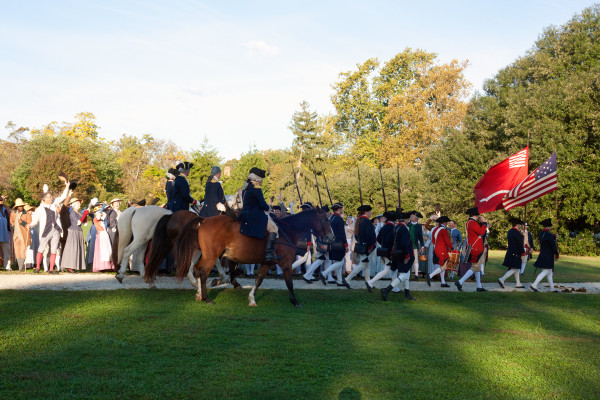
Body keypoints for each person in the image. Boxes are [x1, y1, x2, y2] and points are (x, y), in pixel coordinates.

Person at [239, 167, 279, 262]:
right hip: (255, 215)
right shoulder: (256, 188)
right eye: (261, 181)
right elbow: (262, 204)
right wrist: (268, 208)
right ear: (258, 179)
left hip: (245, 214)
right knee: (274, 228)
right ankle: (268, 252)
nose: (261, 183)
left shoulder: (246, 188)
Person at [30, 182, 70, 274]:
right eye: (50, 197)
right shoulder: (39, 209)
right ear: (44, 199)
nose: (52, 198)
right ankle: (37, 267)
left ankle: (51, 269)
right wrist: (30, 225)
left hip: (55, 230)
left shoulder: (53, 204)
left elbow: (63, 197)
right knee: (41, 249)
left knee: (54, 249)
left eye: (51, 197)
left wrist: (67, 187)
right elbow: (35, 220)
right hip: (45, 231)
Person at [380, 212, 416, 301]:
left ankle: (407, 294)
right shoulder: (403, 229)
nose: (408, 220)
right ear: (404, 220)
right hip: (403, 255)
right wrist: (407, 256)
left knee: (406, 274)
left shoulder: (396, 227)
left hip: (397, 253)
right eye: (407, 219)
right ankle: (386, 290)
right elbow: (404, 244)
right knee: (403, 275)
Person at [341, 204, 376, 288]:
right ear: (366, 212)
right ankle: (347, 279)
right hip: (366, 247)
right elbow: (370, 235)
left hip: (361, 246)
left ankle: (369, 283)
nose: (371, 213)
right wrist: (370, 246)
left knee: (366, 264)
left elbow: (356, 235)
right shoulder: (366, 221)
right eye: (370, 211)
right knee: (363, 264)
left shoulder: (360, 221)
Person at [455, 207, 488, 292]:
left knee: (477, 267)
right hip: (475, 248)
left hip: (474, 247)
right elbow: (481, 232)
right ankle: (460, 281)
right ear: (475, 215)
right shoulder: (472, 223)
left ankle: (479, 286)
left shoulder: (470, 222)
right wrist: (484, 223)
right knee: (475, 267)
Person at [318, 202, 349, 286]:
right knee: (340, 262)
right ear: (339, 209)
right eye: (342, 208)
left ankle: (339, 280)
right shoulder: (339, 219)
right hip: (339, 242)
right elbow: (342, 233)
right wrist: (346, 245)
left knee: (339, 261)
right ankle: (324, 273)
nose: (342, 209)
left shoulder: (332, 218)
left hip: (332, 242)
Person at [366, 211, 397, 291]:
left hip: (384, 250)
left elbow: (379, 239)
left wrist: (384, 246)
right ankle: (370, 282)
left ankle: (394, 286)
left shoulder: (384, 227)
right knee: (388, 270)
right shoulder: (392, 228)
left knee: (392, 269)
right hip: (390, 251)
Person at [530, 218, 559, 292]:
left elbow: (547, 240)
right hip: (548, 256)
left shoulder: (541, 233)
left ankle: (552, 288)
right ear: (548, 226)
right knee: (546, 271)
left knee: (549, 273)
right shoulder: (548, 234)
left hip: (543, 254)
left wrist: (553, 237)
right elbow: (553, 245)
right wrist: (556, 253)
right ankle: (534, 285)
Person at [498, 218, 526, 289]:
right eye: (519, 224)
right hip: (516, 252)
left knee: (516, 268)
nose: (520, 226)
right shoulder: (516, 232)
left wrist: (521, 235)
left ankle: (518, 283)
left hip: (511, 251)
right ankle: (502, 279)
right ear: (517, 225)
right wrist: (522, 251)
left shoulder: (510, 231)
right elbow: (519, 243)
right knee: (515, 268)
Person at [61, 197, 87, 272]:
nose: (79, 204)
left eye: (79, 203)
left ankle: (75, 266)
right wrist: (85, 214)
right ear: (74, 205)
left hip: (79, 231)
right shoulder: (72, 212)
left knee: (77, 249)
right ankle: (70, 267)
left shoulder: (78, 212)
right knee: (72, 249)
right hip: (73, 232)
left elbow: (84, 222)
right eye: (77, 203)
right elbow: (78, 222)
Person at [427, 216, 453, 288]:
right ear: (444, 223)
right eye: (446, 222)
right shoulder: (444, 230)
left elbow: (433, 240)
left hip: (436, 249)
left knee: (442, 266)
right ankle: (430, 275)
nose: (447, 224)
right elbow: (447, 241)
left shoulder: (435, 229)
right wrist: (452, 247)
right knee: (443, 267)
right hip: (442, 250)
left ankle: (443, 282)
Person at [10, 198, 31, 271]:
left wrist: (22, 222)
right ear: (16, 207)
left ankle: (21, 267)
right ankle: (20, 266)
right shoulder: (13, 213)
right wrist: (14, 226)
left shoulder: (27, 214)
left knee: (23, 250)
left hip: (24, 234)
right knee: (17, 250)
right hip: (16, 234)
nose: (21, 207)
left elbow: (30, 223)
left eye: (22, 206)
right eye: (19, 206)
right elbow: (11, 221)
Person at [92, 204, 114, 272]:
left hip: (105, 235)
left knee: (107, 251)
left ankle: (108, 266)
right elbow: (98, 216)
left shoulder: (102, 220)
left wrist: (105, 209)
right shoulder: (95, 219)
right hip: (101, 235)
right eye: (98, 211)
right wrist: (102, 208)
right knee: (102, 251)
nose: (99, 212)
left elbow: (104, 217)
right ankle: (102, 266)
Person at [408, 211, 425, 280]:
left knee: (415, 260)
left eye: (413, 216)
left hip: (414, 245)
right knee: (407, 259)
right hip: (407, 245)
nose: (411, 217)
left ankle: (416, 275)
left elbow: (421, 237)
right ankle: (407, 274)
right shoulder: (408, 225)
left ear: (416, 218)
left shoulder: (418, 226)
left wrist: (422, 246)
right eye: (411, 215)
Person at [0, 195, 11, 270]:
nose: (2, 201)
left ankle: (7, 266)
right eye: (1, 200)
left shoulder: (5, 209)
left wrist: (8, 230)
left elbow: (8, 220)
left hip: (5, 233)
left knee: (7, 250)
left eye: (2, 200)